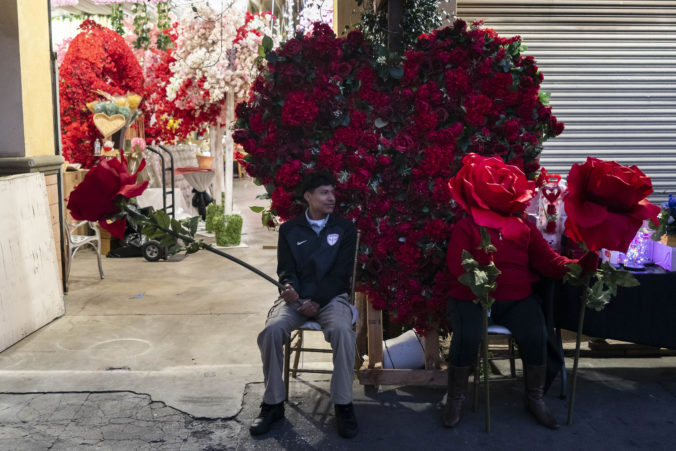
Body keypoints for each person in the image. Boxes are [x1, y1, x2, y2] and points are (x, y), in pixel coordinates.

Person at [443, 156, 598, 431]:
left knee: (536, 332)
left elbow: (548, 262)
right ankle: (456, 397)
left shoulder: (526, 227)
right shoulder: (467, 227)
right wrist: (480, 278)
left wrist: (578, 266)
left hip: (516, 299)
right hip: (473, 296)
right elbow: (457, 264)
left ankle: (534, 397)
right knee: (466, 335)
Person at [250, 171, 359, 438]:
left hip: (332, 299)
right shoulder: (290, 229)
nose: (331, 198)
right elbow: (285, 270)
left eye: (333, 192)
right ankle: (273, 404)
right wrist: (288, 288)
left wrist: (318, 302)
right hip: (296, 300)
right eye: (324, 192)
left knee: (343, 332)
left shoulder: (344, 228)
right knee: (272, 331)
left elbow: (340, 275)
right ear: (308, 197)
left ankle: (344, 405)